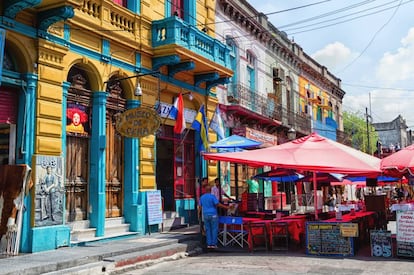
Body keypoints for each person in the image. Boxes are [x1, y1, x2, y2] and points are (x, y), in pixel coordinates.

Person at [199, 184, 231, 249]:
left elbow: (199, 207)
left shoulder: (202, 197)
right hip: (213, 214)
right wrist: (226, 207)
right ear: (210, 190)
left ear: (205, 190)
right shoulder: (212, 197)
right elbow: (218, 204)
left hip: (205, 215)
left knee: (208, 229)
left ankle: (209, 244)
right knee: (214, 229)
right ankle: (214, 244)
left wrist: (198, 215)